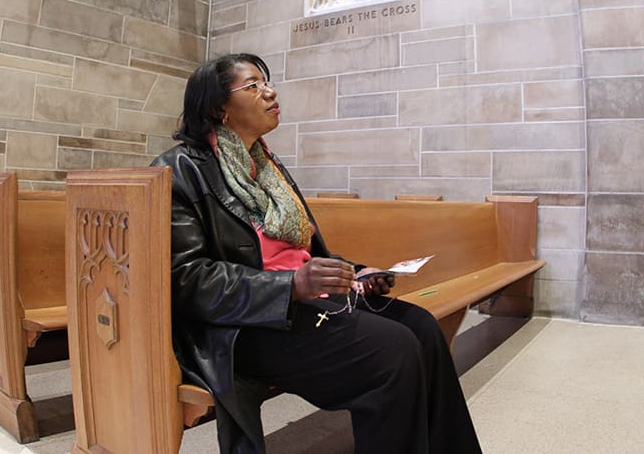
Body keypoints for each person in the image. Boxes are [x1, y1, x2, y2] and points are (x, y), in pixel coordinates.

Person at [151, 53, 482, 454]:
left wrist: (356, 272)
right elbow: (188, 280)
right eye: (253, 86)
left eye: (267, 83)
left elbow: (305, 255)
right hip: (242, 326)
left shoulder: (266, 165)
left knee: (423, 328)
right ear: (218, 107)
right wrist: (289, 286)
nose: (270, 92)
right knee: (392, 350)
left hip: (301, 301)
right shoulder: (180, 170)